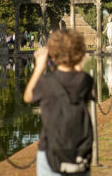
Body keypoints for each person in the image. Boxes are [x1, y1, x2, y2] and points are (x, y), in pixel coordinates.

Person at [23, 29, 93, 176]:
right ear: (80, 52)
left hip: (50, 148)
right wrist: (77, 61)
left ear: (53, 54)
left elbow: (28, 97)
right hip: (79, 149)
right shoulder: (86, 80)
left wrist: (39, 67)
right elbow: (79, 77)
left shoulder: (46, 82)